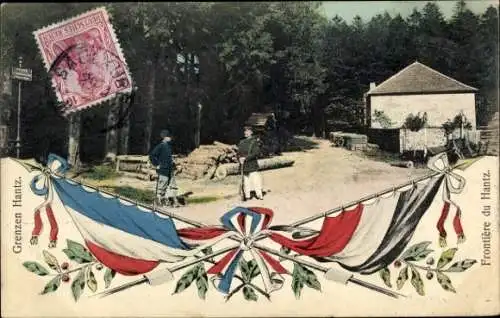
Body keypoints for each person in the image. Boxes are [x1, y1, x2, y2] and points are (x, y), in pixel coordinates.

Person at [149, 129, 180, 207]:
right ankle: (159, 201)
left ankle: (174, 201)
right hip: (163, 170)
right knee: (162, 186)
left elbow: (168, 158)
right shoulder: (160, 146)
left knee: (173, 186)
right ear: (165, 137)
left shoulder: (169, 146)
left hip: (170, 170)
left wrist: (174, 163)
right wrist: (157, 164)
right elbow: (152, 155)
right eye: (169, 137)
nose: (170, 138)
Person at [237, 126, 263, 201]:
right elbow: (238, 153)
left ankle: (259, 194)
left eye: (248, 131)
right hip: (244, 164)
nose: (246, 132)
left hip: (252, 163)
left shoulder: (254, 142)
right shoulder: (241, 142)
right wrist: (239, 158)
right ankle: (247, 195)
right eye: (245, 131)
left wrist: (246, 158)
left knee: (256, 180)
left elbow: (256, 153)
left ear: (251, 132)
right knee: (245, 181)